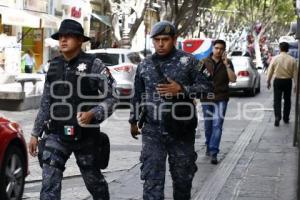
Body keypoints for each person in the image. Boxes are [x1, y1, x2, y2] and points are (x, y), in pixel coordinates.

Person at [28, 19, 118, 200]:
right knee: (49, 182)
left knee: (94, 182)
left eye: (68, 36)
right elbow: (46, 101)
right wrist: (35, 133)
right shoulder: (53, 66)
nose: (63, 40)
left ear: (79, 40)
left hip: (86, 135)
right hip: (56, 134)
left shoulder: (94, 64)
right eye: (61, 36)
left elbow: (113, 96)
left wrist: (94, 113)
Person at [129, 21, 212, 200]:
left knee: (182, 180)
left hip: (181, 131)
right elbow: (138, 95)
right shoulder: (144, 65)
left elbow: (208, 87)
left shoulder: (189, 61)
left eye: (165, 39)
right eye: (157, 40)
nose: (160, 44)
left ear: (174, 39)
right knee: (152, 181)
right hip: (153, 131)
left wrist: (182, 89)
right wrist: (133, 121)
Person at [199, 39, 237, 165]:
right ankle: (209, 145)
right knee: (208, 125)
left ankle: (214, 152)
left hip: (221, 98)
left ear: (224, 50)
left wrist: (226, 65)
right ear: (212, 48)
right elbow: (196, 79)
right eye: (217, 48)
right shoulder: (204, 62)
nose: (218, 50)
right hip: (206, 98)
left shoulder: (228, 63)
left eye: (221, 48)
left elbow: (233, 79)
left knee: (217, 125)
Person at [267, 42, 297, 127]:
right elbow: (295, 74)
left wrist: (268, 81)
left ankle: (277, 116)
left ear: (280, 49)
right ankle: (286, 118)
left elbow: (270, 71)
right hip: (288, 81)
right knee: (287, 100)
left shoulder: (275, 58)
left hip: (278, 81)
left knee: (277, 100)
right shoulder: (292, 60)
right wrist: (296, 85)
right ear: (288, 49)